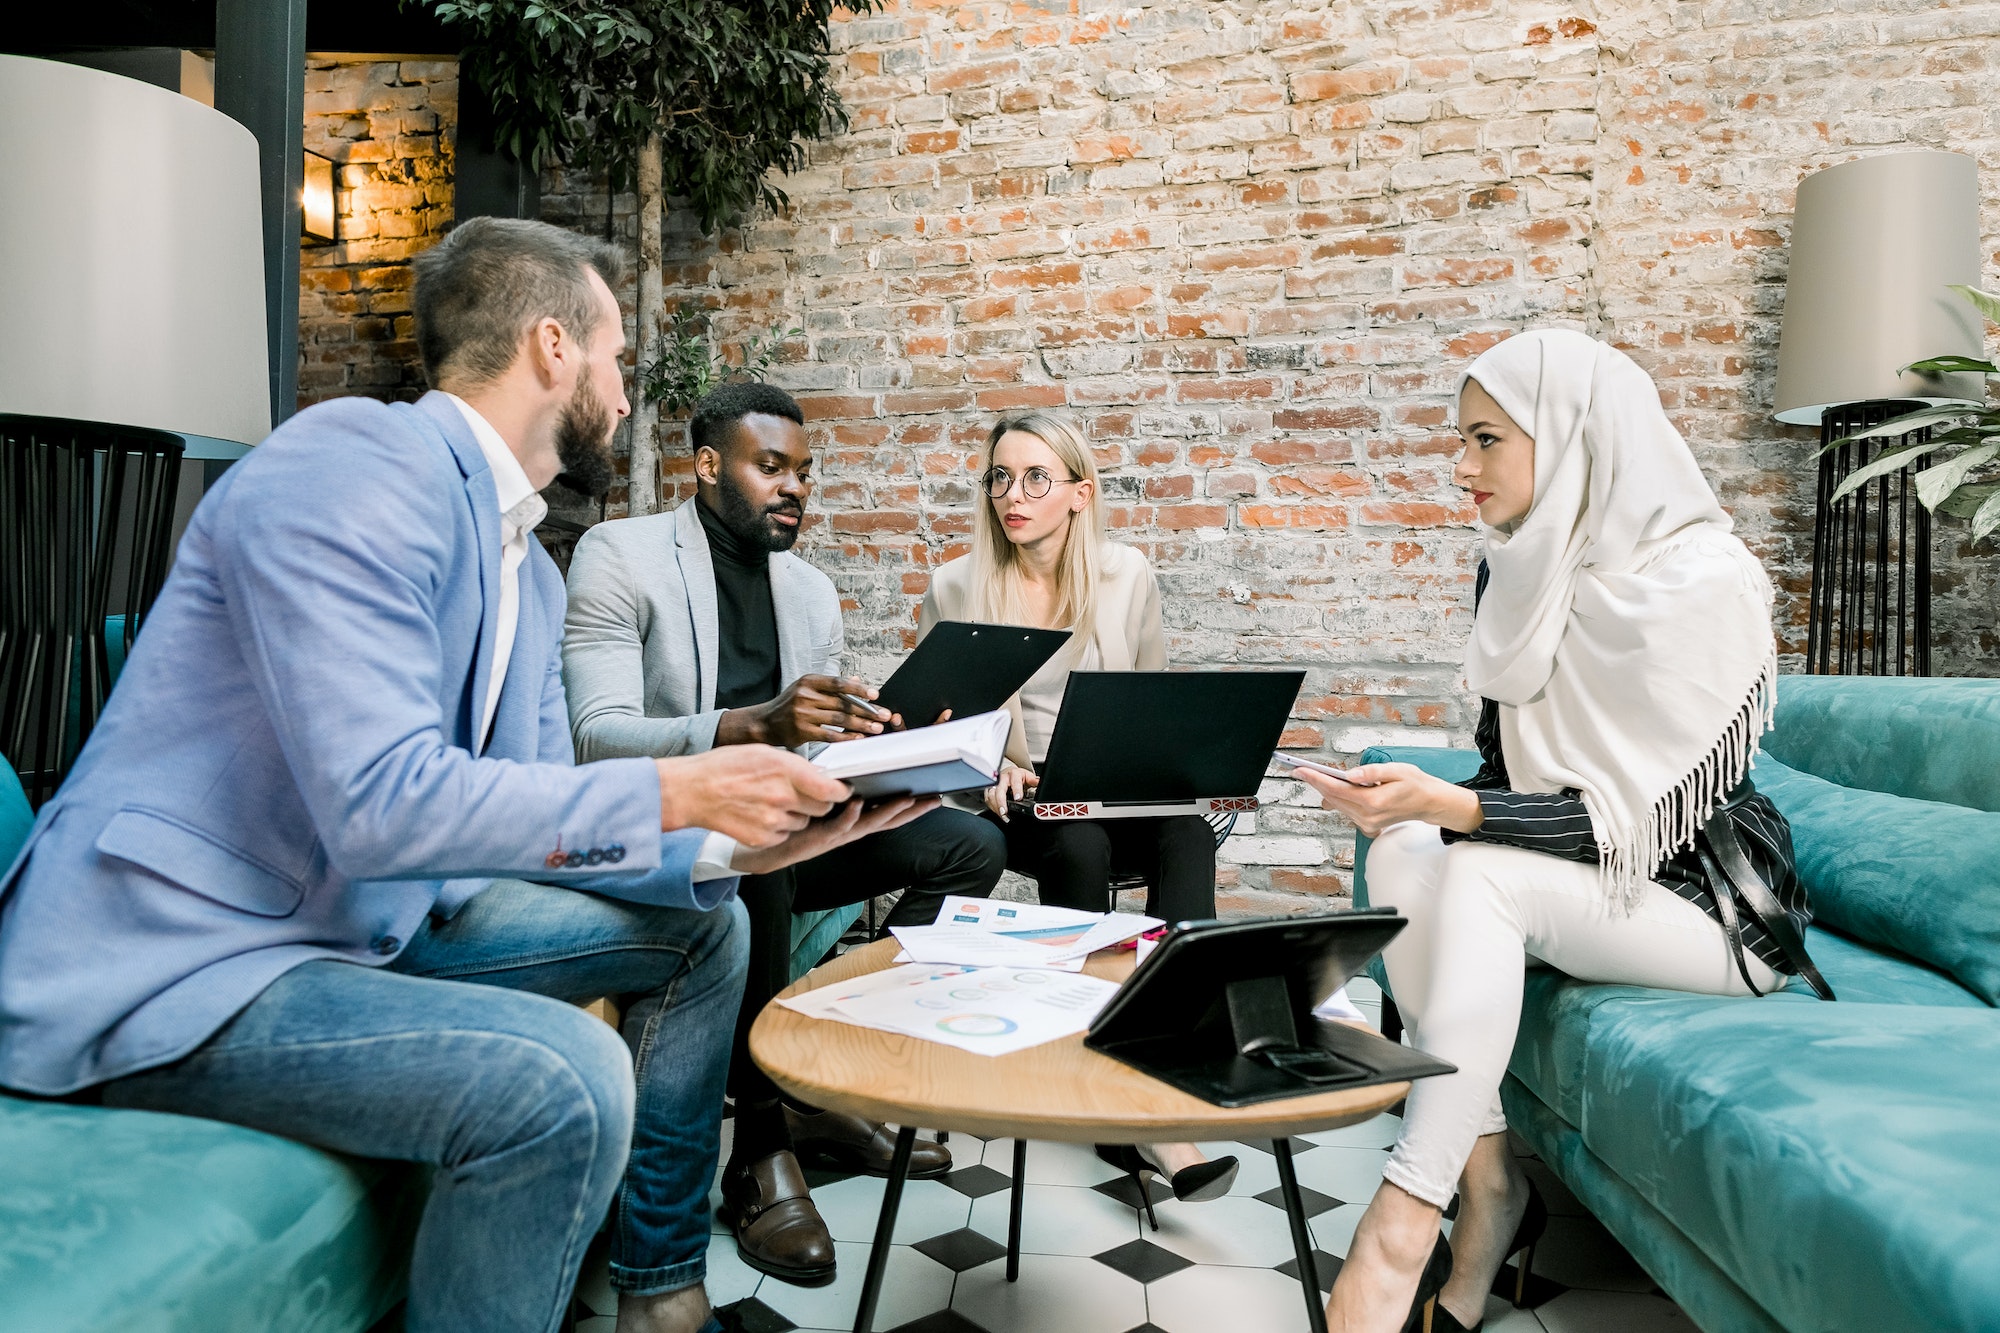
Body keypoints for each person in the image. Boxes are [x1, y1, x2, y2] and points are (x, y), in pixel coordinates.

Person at [0, 217, 931, 1333]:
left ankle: (662, 1291)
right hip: (182, 956)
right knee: (560, 1078)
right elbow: (383, 803)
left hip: (369, 918)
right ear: (551, 347)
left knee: (709, 920)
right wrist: (686, 786)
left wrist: (745, 842)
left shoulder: (528, 570)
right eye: (616, 357)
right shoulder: (347, 463)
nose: (627, 393)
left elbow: (532, 814)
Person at [1295, 329, 1811, 1333]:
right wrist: (1417, 811)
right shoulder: (1518, 568)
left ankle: (1401, 1224)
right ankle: (1489, 1186)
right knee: (1402, 854)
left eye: (1485, 440)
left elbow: (1636, 825)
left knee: (1478, 872)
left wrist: (1452, 809)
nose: (1460, 468)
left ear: (1572, 435)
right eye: (1461, 441)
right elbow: (1507, 774)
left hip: (1705, 906)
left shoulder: (1701, 581)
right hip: (1592, 889)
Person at [562, 380, 1008, 1286]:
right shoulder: (621, 554)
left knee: (970, 846)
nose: (795, 486)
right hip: (675, 825)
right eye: (772, 467)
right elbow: (594, 736)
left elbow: (820, 740)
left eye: (804, 471)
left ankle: (817, 1081)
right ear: (707, 465)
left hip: (787, 818)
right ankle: (759, 1147)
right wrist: (753, 728)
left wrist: (904, 740)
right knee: (759, 838)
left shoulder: (811, 592)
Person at [916, 409, 1238, 1204]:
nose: (1011, 494)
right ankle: (1113, 1099)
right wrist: (985, 768)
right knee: (1080, 846)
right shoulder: (957, 584)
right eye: (999, 477)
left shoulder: (1127, 574)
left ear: (1079, 493)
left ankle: (1166, 1067)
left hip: (1118, 783)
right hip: (1023, 798)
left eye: (1034, 478)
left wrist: (1187, 771)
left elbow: (1153, 705)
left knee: (1188, 833)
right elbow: (935, 723)